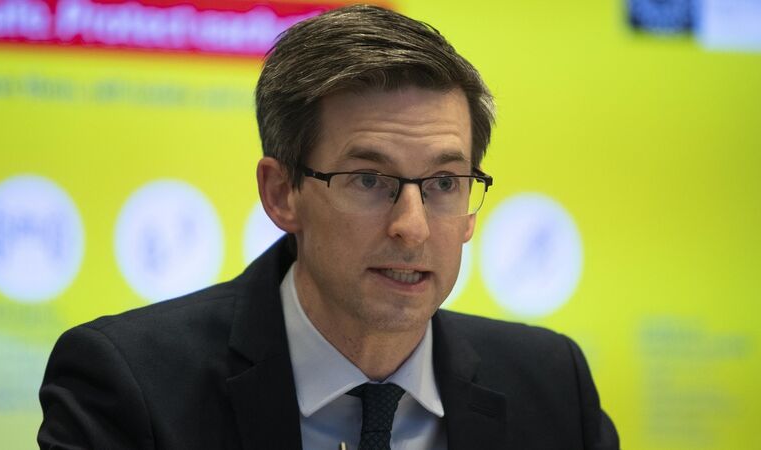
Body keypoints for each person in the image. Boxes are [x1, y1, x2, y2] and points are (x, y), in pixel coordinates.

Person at [38, 5, 619, 449]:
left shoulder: (552, 387)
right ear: (281, 193)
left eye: (444, 183)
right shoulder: (128, 386)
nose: (412, 228)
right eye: (369, 179)